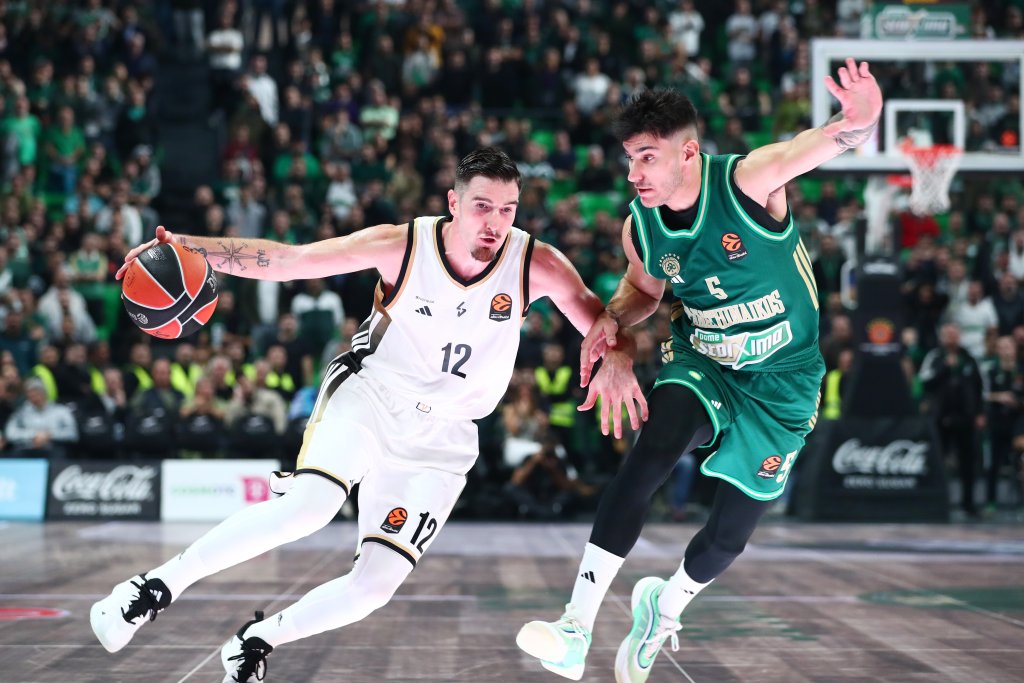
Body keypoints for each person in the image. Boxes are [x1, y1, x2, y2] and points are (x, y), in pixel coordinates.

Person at [89, 147, 647, 683]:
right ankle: (148, 590)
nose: (495, 223)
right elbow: (292, 260)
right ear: (454, 203)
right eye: (482, 207)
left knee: (374, 587)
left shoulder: (537, 264)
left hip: (446, 437)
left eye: (508, 209)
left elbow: (605, 327)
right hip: (373, 395)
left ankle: (256, 641)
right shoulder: (402, 246)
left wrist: (618, 357)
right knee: (309, 507)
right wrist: (189, 247)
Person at [517, 58, 883, 682]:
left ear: (688, 153)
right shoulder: (640, 225)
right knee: (651, 455)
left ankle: (663, 610)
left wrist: (862, 116)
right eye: (629, 158)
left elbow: (829, 139)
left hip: (784, 379)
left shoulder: (750, 180)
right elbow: (644, 289)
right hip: (704, 357)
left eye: (647, 158)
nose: (634, 174)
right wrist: (612, 318)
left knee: (727, 538)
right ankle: (575, 627)